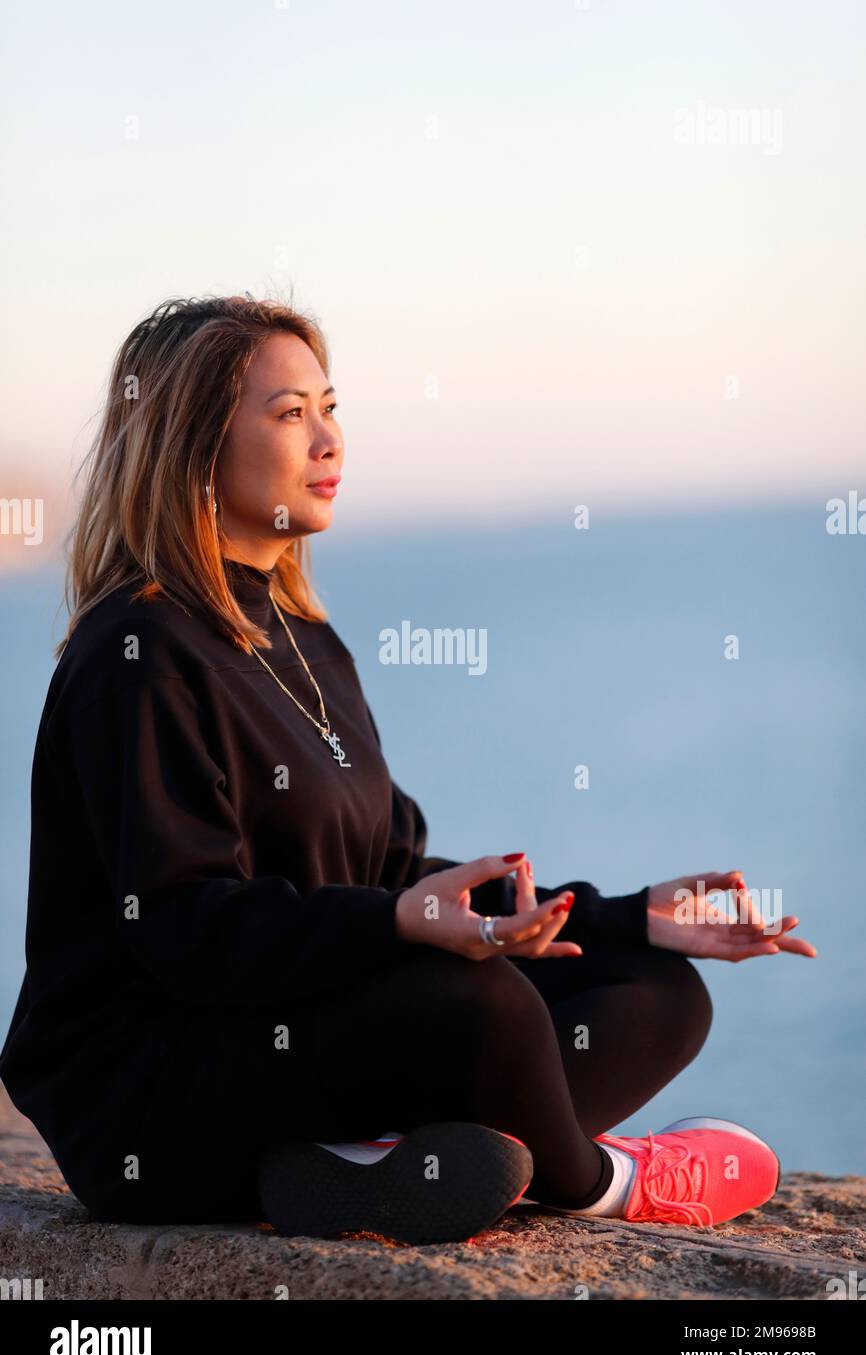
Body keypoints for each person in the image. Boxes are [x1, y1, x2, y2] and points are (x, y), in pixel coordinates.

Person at [0, 295, 817, 1247]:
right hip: (158, 1098)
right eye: (290, 413)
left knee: (655, 989)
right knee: (479, 1007)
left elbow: (392, 874)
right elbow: (183, 927)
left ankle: (372, 1163)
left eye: (329, 407)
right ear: (193, 446)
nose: (329, 441)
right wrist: (395, 925)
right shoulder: (137, 651)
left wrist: (622, 915)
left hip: (299, 1045)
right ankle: (602, 1180)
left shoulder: (306, 641)